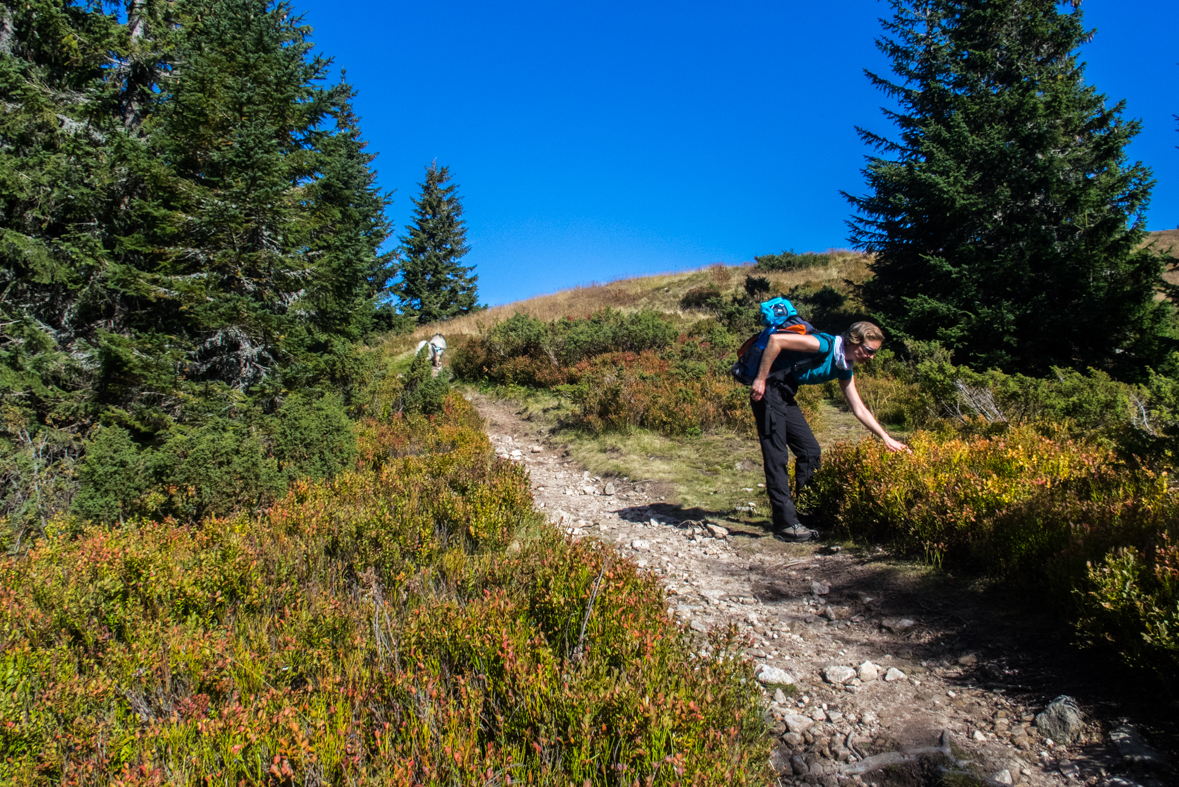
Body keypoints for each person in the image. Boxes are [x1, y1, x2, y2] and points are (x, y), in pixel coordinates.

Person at [750, 321, 908, 542]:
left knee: (810, 450)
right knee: (777, 456)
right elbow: (776, 340)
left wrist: (885, 437)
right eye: (869, 351)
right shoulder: (824, 345)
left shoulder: (844, 366)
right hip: (768, 389)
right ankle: (785, 525)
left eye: (874, 353)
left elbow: (858, 407)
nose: (872, 357)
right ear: (855, 342)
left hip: (784, 394)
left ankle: (807, 513)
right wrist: (760, 379)